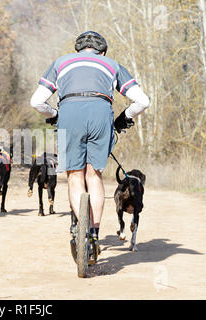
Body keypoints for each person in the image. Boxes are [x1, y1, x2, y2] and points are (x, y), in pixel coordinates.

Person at [30, 31, 149, 260]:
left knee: (75, 176)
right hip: (100, 113)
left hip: (69, 112)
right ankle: (93, 233)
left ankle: (79, 232)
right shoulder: (112, 64)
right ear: (102, 52)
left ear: (77, 51)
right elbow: (143, 101)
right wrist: (124, 118)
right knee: (94, 176)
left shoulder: (61, 63)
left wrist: (55, 114)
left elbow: (36, 101)